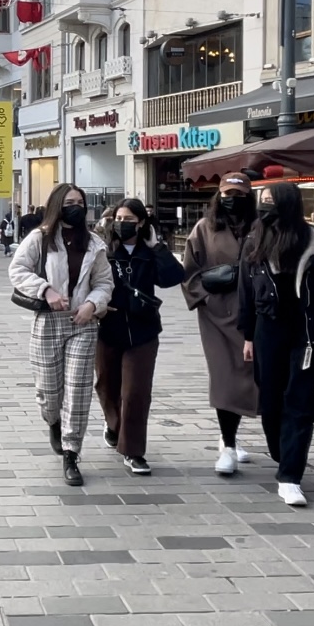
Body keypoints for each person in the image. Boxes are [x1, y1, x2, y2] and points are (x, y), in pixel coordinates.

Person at [237, 182, 314, 508]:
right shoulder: (254, 243)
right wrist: (246, 336)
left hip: (306, 335)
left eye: (271, 201)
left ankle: (290, 477)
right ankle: (281, 453)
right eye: (263, 201)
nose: (264, 207)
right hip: (266, 332)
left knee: (297, 403)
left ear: (287, 204)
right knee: (270, 402)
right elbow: (245, 293)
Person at [9, 183, 113, 487]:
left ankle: (71, 453)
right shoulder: (40, 238)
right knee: (49, 391)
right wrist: (46, 290)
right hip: (48, 321)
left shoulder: (94, 244)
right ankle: (53, 421)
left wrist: (93, 305)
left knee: (78, 389)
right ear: (57, 204)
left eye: (80, 201)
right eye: (69, 201)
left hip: (83, 322)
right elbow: (17, 270)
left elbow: (104, 282)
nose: (76, 206)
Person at [95, 199, 186, 476]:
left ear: (142, 223)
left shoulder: (150, 252)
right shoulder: (105, 250)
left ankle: (133, 451)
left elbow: (173, 276)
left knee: (135, 393)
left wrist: (157, 246)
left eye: (129, 219)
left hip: (143, 331)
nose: (122, 224)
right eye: (118, 218)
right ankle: (114, 424)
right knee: (107, 386)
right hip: (107, 328)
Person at [182, 173, 261, 477]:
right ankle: (227, 444)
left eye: (239, 194)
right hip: (217, 316)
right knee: (225, 376)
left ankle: (234, 436)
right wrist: (205, 297)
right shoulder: (204, 229)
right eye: (227, 193)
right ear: (218, 196)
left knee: (253, 376)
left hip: (254, 314)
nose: (233, 199)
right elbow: (189, 271)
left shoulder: (261, 227)